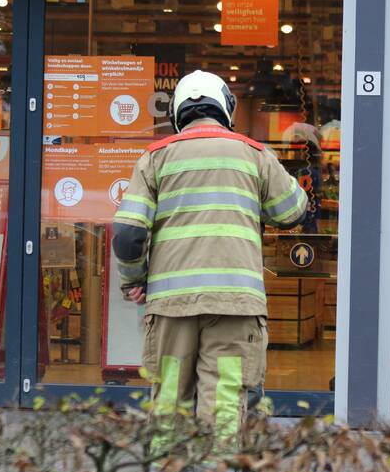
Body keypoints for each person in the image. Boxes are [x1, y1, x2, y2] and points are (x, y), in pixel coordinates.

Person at [112, 70, 307, 451]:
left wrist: (135, 280)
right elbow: (294, 210)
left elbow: (127, 234)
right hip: (235, 308)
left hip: (171, 309)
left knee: (169, 403)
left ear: (179, 112)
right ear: (225, 108)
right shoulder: (254, 154)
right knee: (223, 408)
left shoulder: (155, 158)